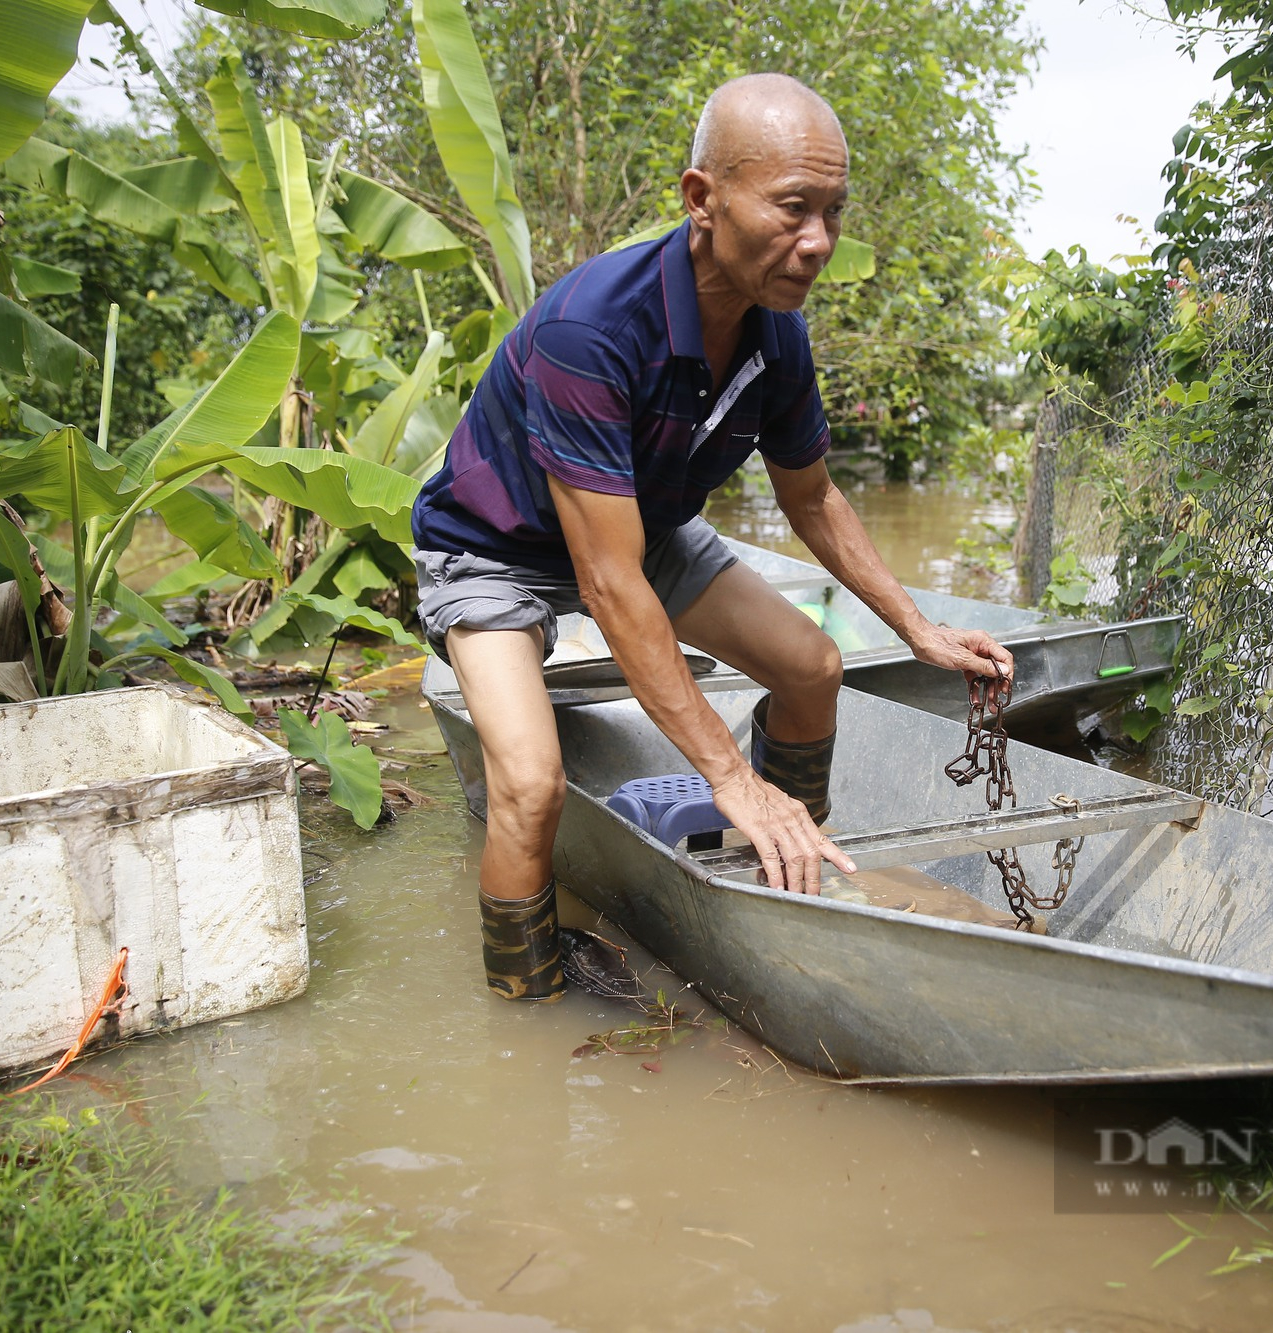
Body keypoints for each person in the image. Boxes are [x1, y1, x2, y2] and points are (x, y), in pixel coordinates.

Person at [411, 72, 1015, 1002]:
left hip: (639, 527)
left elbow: (812, 501)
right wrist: (728, 772)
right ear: (702, 200)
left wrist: (917, 629)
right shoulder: (593, 329)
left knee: (813, 667)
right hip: (495, 552)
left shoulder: (778, 335)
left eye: (833, 214)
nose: (816, 243)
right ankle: (523, 992)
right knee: (531, 783)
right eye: (791, 209)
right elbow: (607, 587)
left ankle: (784, 874)